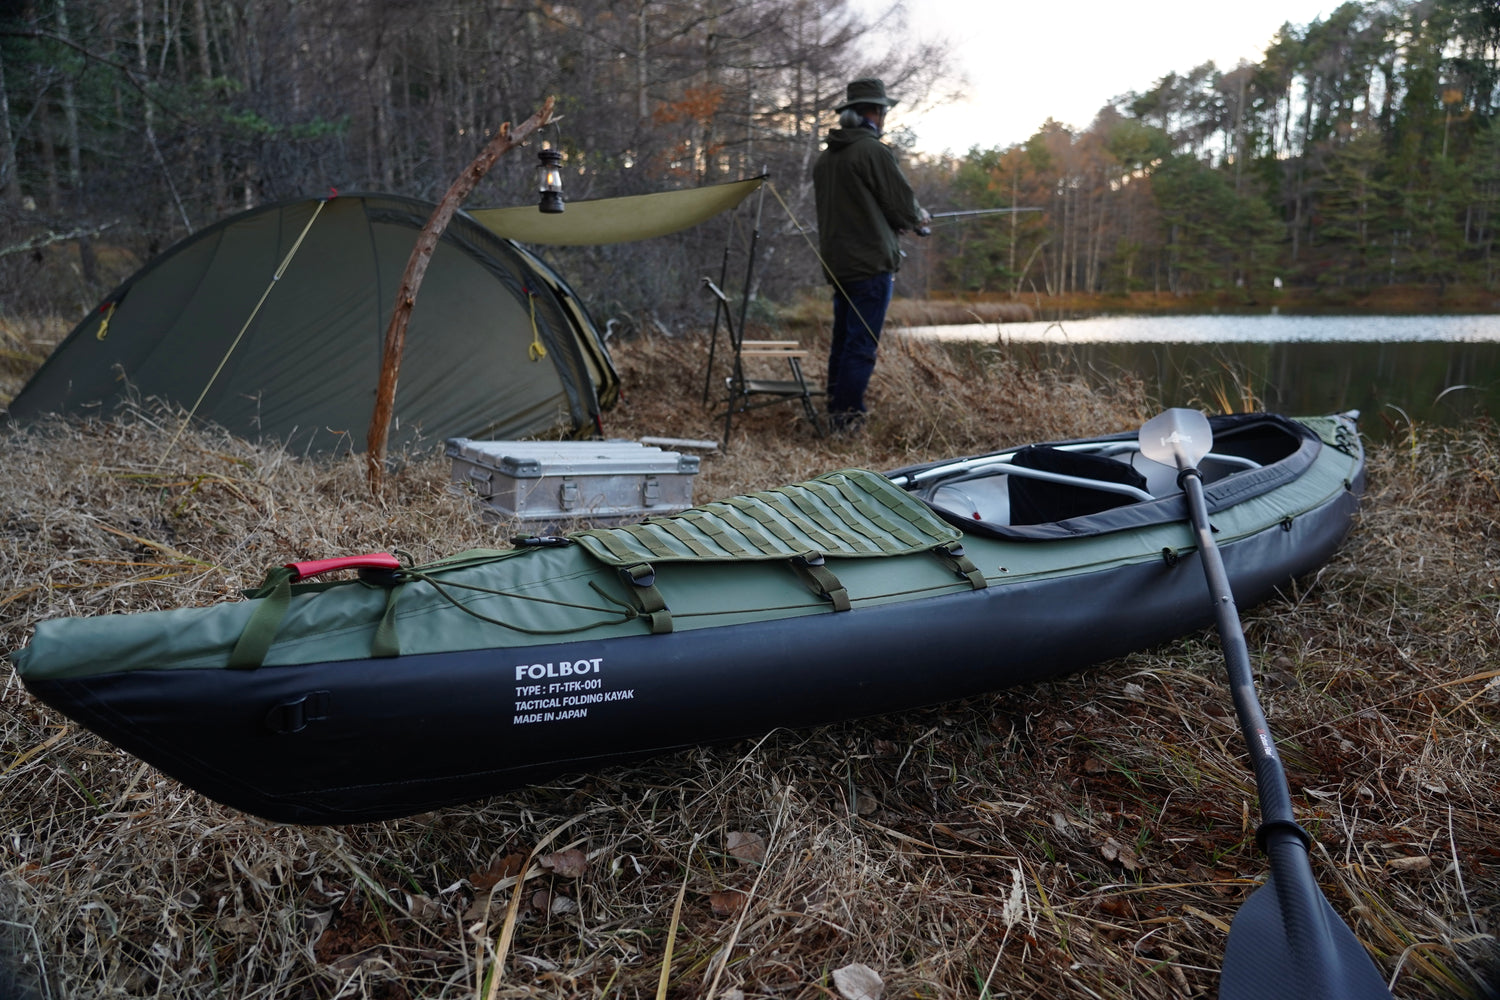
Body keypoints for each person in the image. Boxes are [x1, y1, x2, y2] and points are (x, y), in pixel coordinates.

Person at [812, 77, 930, 434]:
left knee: (844, 343)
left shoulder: (825, 160)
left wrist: (894, 220)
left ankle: (836, 415)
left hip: (839, 264)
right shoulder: (872, 151)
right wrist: (918, 219)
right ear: (876, 112)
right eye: (883, 111)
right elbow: (901, 204)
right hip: (871, 265)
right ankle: (848, 421)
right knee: (861, 347)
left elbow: (864, 208)